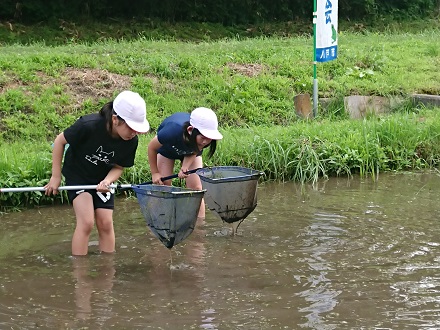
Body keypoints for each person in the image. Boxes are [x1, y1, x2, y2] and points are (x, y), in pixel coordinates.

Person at [44, 90, 150, 256]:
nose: (134, 133)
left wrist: (107, 181)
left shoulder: (131, 141)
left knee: (106, 223)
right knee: (86, 222)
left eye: (137, 129)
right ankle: (80, 272)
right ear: (115, 119)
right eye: (131, 127)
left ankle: (107, 269)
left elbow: (119, 167)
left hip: (103, 178)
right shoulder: (89, 125)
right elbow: (59, 141)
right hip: (78, 175)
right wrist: (56, 176)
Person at [147, 107, 223, 219]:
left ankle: (199, 227)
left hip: (189, 151)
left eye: (209, 138)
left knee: (196, 188)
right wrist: (155, 173)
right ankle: (156, 222)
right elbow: (151, 148)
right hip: (167, 150)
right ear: (190, 130)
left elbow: (195, 150)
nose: (206, 141)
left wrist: (185, 167)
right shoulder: (171, 131)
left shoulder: (203, 140)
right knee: (163, 187)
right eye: (203, 137)